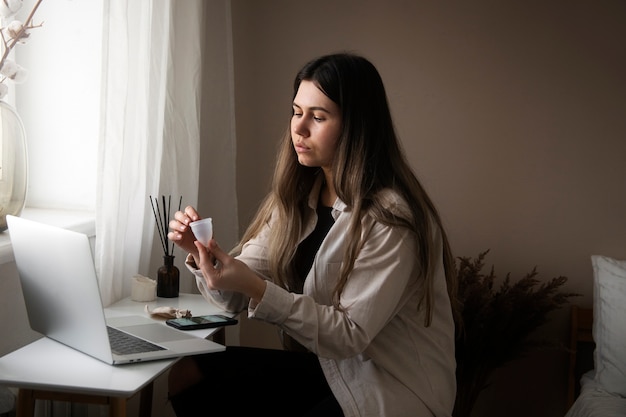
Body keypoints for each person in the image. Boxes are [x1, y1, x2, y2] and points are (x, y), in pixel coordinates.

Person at [166, 52, 459, 417]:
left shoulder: (391, 217)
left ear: (357, 127)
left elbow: (348, 335)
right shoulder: (298, 198)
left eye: (318, 117)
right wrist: (203, 256)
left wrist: (257, 288)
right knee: (188, 375)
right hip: (332, 370)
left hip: (391, 388)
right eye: (296, 111)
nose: (299, 128)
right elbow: (232, 299)